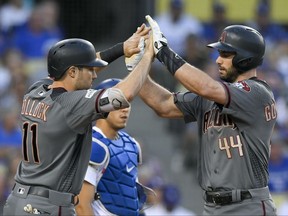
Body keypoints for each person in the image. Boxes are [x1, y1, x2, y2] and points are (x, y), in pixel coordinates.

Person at [3, 23, 155, 216]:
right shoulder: (72, 104)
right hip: (47, 207)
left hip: (18, 200)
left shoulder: (37, 90)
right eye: (89, 70)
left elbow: (75, 74)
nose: (94, 74)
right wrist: (148, 57)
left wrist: (122, 49)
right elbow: (123, 95)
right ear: (72, 72)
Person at [138, 15, 278, 215]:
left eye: (226, 54)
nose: (218, 59)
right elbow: (162, 105)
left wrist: (163, 52)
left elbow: (205, 87)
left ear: (245, 58)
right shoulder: (211, 95)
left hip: (248, 205)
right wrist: (138, 66)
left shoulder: (258, 93)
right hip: (212, 207)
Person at [76, 78, 148, 216]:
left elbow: (131, 195)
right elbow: (81, 205)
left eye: (128, 103)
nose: (125, 109)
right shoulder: (93, 145)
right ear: (101, 105)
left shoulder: (132, 144)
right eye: (118, 103)